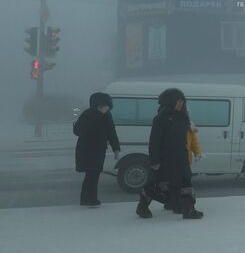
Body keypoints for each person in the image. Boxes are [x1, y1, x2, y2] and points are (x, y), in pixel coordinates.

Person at [136, 88, 203, 220]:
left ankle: (187, 209)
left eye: (182, 102)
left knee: (185, 183)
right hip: (165, 159)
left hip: (181, 157)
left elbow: (190, 137)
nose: (181, 104)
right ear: (170, 102)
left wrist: (195, 151)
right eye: (178, 101)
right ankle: (142, 207)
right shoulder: (160, 119)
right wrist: (154, 160)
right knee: (156, 185)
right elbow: (154, 141)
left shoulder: (184, 118)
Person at [73, 92, 120, 206]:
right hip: (86, 149)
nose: (106, 108)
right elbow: (77, 131)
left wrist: (116, 148)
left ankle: (88, 199)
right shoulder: (88, 114)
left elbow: (111, 132)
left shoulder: (107, 115)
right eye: (104, 105)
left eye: (107, 106)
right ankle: (89, 199)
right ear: (97, 104)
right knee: (91, 174)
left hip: (98, 150)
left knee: (93, 174)